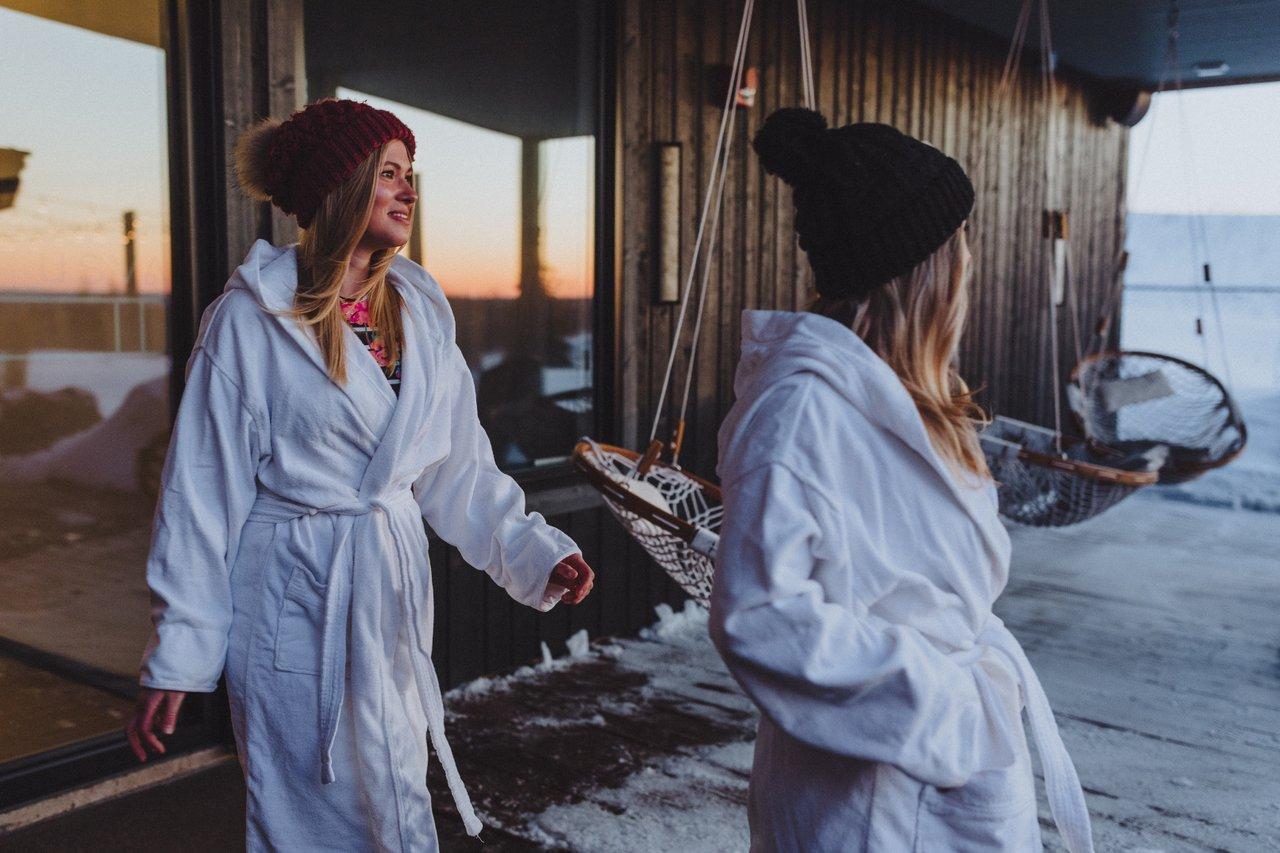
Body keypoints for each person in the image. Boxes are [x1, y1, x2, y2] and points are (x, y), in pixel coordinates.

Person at [125, 98, 595, 850]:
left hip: (388, 594)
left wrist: (533, 548)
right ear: (342, 186)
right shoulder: (249, 322)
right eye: (389, 173)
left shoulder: (418, 307)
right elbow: (200, 497)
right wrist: (180, 652)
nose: (410, 191)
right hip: (298, 598)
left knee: (396, 795)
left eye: (411, 175)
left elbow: (456, 464)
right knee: (315, 810)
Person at [709, 108, 1094, 852]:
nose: (969, 257)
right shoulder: (800, 410)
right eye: (958, 239)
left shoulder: (908, 397)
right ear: (919, 266)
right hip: (872, 790)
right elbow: (761, 616)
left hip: (950, 771)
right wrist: (945, 703)